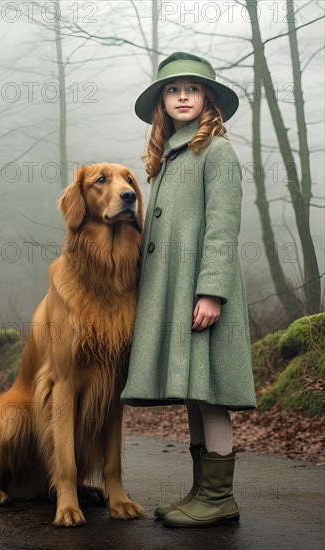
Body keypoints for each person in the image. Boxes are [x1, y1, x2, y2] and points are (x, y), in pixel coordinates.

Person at [120, 52, 257, 528]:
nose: (182, 96)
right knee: (195, 391)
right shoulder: (171, 155)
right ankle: (202, 492)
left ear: (208, 101)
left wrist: (212, 292)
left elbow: (222, 227)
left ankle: (220, 498)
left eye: (192, 89)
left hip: (200, 290)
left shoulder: (215, 151)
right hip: (173, 291)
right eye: (173, 89)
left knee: (211, 390)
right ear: (163, 102)